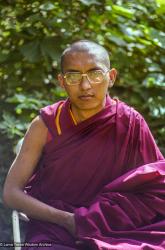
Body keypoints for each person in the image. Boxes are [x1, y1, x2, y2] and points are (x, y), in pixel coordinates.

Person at [3, 40, 165, 250]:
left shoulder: (130, 122)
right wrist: (67, 220)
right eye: (73, 76)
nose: (85, 86)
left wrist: (98, 219)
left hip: (115, 227)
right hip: (56, 229)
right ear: (62, 81)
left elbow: (156, 188)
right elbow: (11, 193)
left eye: (95, 74)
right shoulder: (46, 125)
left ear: (112, 77)